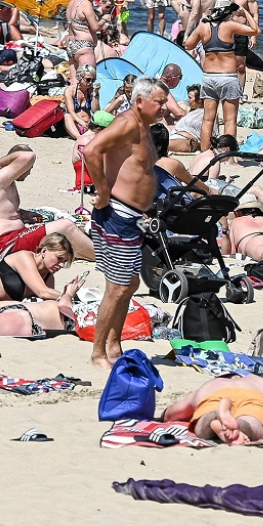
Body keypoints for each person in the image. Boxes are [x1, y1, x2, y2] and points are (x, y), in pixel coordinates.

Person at [84, 78, 168, 369]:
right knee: (117, 288)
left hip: (131, 218)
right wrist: (102, 191)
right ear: (140, 101)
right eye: (159, 102)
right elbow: (91, 150)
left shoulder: (142, 126)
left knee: (129, 284)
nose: (164, 107)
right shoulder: (128, 123)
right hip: (118, 215)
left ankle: (114, 344)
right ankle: (98, 353)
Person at [0, 145, 96, 261]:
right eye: (28, 168)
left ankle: (88, 250)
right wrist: (1, 163)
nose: (29, 172)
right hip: (5, 246)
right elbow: (27, 156)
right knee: (65, 225)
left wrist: (21, 213)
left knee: (73, 230)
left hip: (14, 239)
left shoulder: (4, 182)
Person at [186, 0, 255, 147]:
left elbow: (188, 45)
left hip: (209, 77)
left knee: (207, 120)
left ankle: (205, 154)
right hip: (227, 78)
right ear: (228, 13)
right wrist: (246, 12)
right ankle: (228, 154)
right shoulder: (229, 26)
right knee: (229, 120)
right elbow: (255, 30)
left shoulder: (204, 26)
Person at [166, 373, 263, 444]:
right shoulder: (258, 381)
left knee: (204, 423)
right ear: (240, 376)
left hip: (216, 395)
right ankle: (240, 425)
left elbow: (173, 413)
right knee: (251, 423)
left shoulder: (210, 384)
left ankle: (214, 417)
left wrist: (164, 414)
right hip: (254, 395)